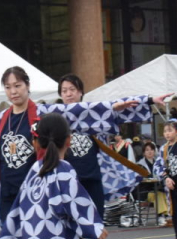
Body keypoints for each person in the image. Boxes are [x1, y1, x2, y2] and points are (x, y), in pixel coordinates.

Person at [0, 65, 163, 239]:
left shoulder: (42, 112)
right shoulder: (1, 119)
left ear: (27, 86)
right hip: (10, 191)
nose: (13, 92)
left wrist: (131, 104)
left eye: (18, 86)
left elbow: (80, 111)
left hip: (37, 191)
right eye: (9, 87)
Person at [57, 74, 150, 216]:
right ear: (60, 95)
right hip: (67, 182)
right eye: (64, 91)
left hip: (92, 179)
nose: (69, 94)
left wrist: (150, 100)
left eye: (72, 89)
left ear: (81, 92)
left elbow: (116, 109)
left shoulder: (95, 117)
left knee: (96, 225)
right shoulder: (55, 120)